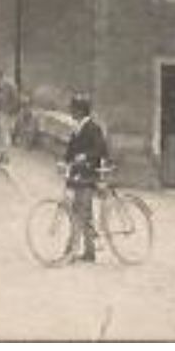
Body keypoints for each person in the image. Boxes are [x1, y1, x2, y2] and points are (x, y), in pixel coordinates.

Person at [62, 93, 110, 263]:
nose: (71, 112)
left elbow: (101, 150)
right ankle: (89, 252)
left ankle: (71, 251)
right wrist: (64, 162)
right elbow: (70, 151)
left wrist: (85, 156)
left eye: (73, 109)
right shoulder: (76, 128)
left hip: (89, 174)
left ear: (81, 110)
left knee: (78, 212)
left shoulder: (93, 128)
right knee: (85, 213)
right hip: (78, 174)